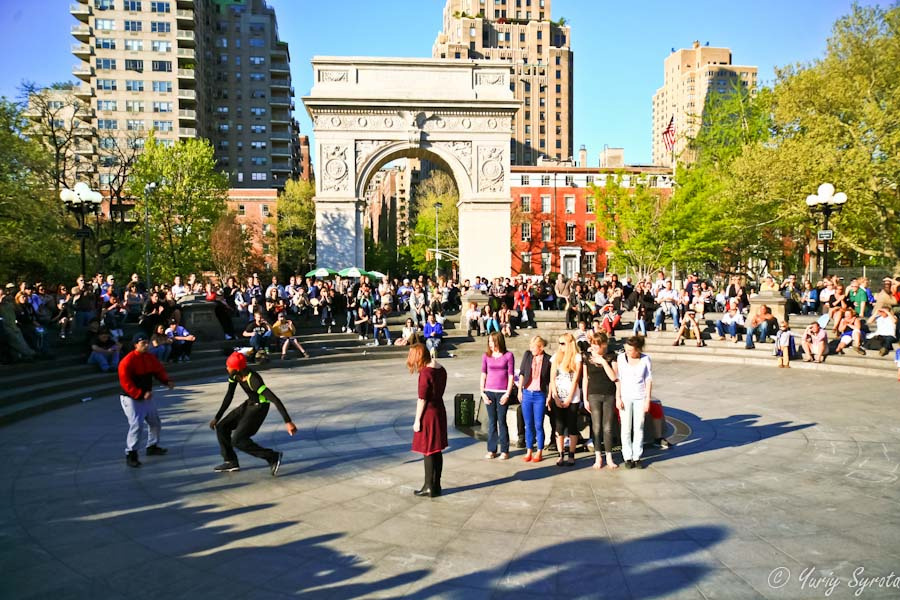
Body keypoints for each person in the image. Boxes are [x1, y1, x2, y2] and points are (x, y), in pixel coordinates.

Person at [209, 352, 297, 475]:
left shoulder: (254, 380)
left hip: (259, 407)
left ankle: (272, 456)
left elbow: (275, 399)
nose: (227, 368)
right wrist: (217, 417)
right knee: (222, 427)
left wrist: (288, 421)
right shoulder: (235, 376)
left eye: (229, 366)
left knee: (238, 440)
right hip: (249, 403)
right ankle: (230, 461)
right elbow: (229, 395)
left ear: (237, 369)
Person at [118, 332, 174, 468]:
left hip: (146, 396)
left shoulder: (149, 358)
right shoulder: (127, 361)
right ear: (135, 345)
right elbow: (126, 383)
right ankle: (131, 453)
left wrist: (166, 381)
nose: (146, 345)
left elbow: (158, 370)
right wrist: (140, 394)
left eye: (147, 343)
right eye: (143, 343)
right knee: (136, 425)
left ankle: (152, 446)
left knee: (155, 421)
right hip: (131, 398)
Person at [406, 343, 448, 497]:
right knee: (437, 450)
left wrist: (417, 421)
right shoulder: (441, 369)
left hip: (428, 414)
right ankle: (436, 485)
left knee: (428, 450)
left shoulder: (425, 372)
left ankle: (428, 486)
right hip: (440, 410)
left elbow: (422, 399)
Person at [583, 332, 619, 470]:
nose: (594, 347)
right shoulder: (587, 358)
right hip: (593, 394)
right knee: (596, 427)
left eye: (597, 345)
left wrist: (603, 361)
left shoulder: (612, 357)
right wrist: (585, 398)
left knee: (608, 427)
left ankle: (609, 456)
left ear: (604, 345)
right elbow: (585, 379)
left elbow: (614, 377)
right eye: (593, 344)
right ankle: (598, 457)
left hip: (609, 394)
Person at [616, 336, 652, 469]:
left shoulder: (645, 359)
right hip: (625, 396)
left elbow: (648, 379)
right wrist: (618, 397)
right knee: (625, 428)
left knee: (639, 427)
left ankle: (637, 456)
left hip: (640, 396)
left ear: (638, 349)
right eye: (627, 349)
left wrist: (647, 399)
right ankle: (627, 456)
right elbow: (618, 379)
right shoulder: (621, 358)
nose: (628, 352)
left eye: (631, 350)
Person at [549, 332, 582, 467]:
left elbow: (575, 380)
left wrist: (569, 398)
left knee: (572, 425)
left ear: (569, 344)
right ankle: (560, 453)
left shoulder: (577, 357)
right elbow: (552, 378)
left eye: (563, 343)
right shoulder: (556, 357)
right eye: (559, 343)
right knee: (559, 426)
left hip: (572, 397)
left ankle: (571, 454)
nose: (560, 346)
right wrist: (555, 396)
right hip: (558, 395)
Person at [479, 332, 515, 460]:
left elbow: (511, 376)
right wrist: (482, 392)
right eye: (489, 341)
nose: (490, 344)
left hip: (502, 392)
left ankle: (504, 450)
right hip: (489, 391)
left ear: (499, 341)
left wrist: (507, 393)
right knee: (492, 422)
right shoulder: (486, 356)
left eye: (492, 341)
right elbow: (483, 374)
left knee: (502, 421)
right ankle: (492, 449)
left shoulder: (508, 355)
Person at [517, 335, 550, 463]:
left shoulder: (548, 359)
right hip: (527, 393)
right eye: (530, 346)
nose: (531, 349)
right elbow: (522, 373)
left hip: (539, 395)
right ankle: (529, 449)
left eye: (534, 347)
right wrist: (520, 390)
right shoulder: (527, 355)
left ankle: (539, 451)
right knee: (528, 424)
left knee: (538, 424)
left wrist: (549, 396)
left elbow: (549, 380)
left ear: (541, 347)